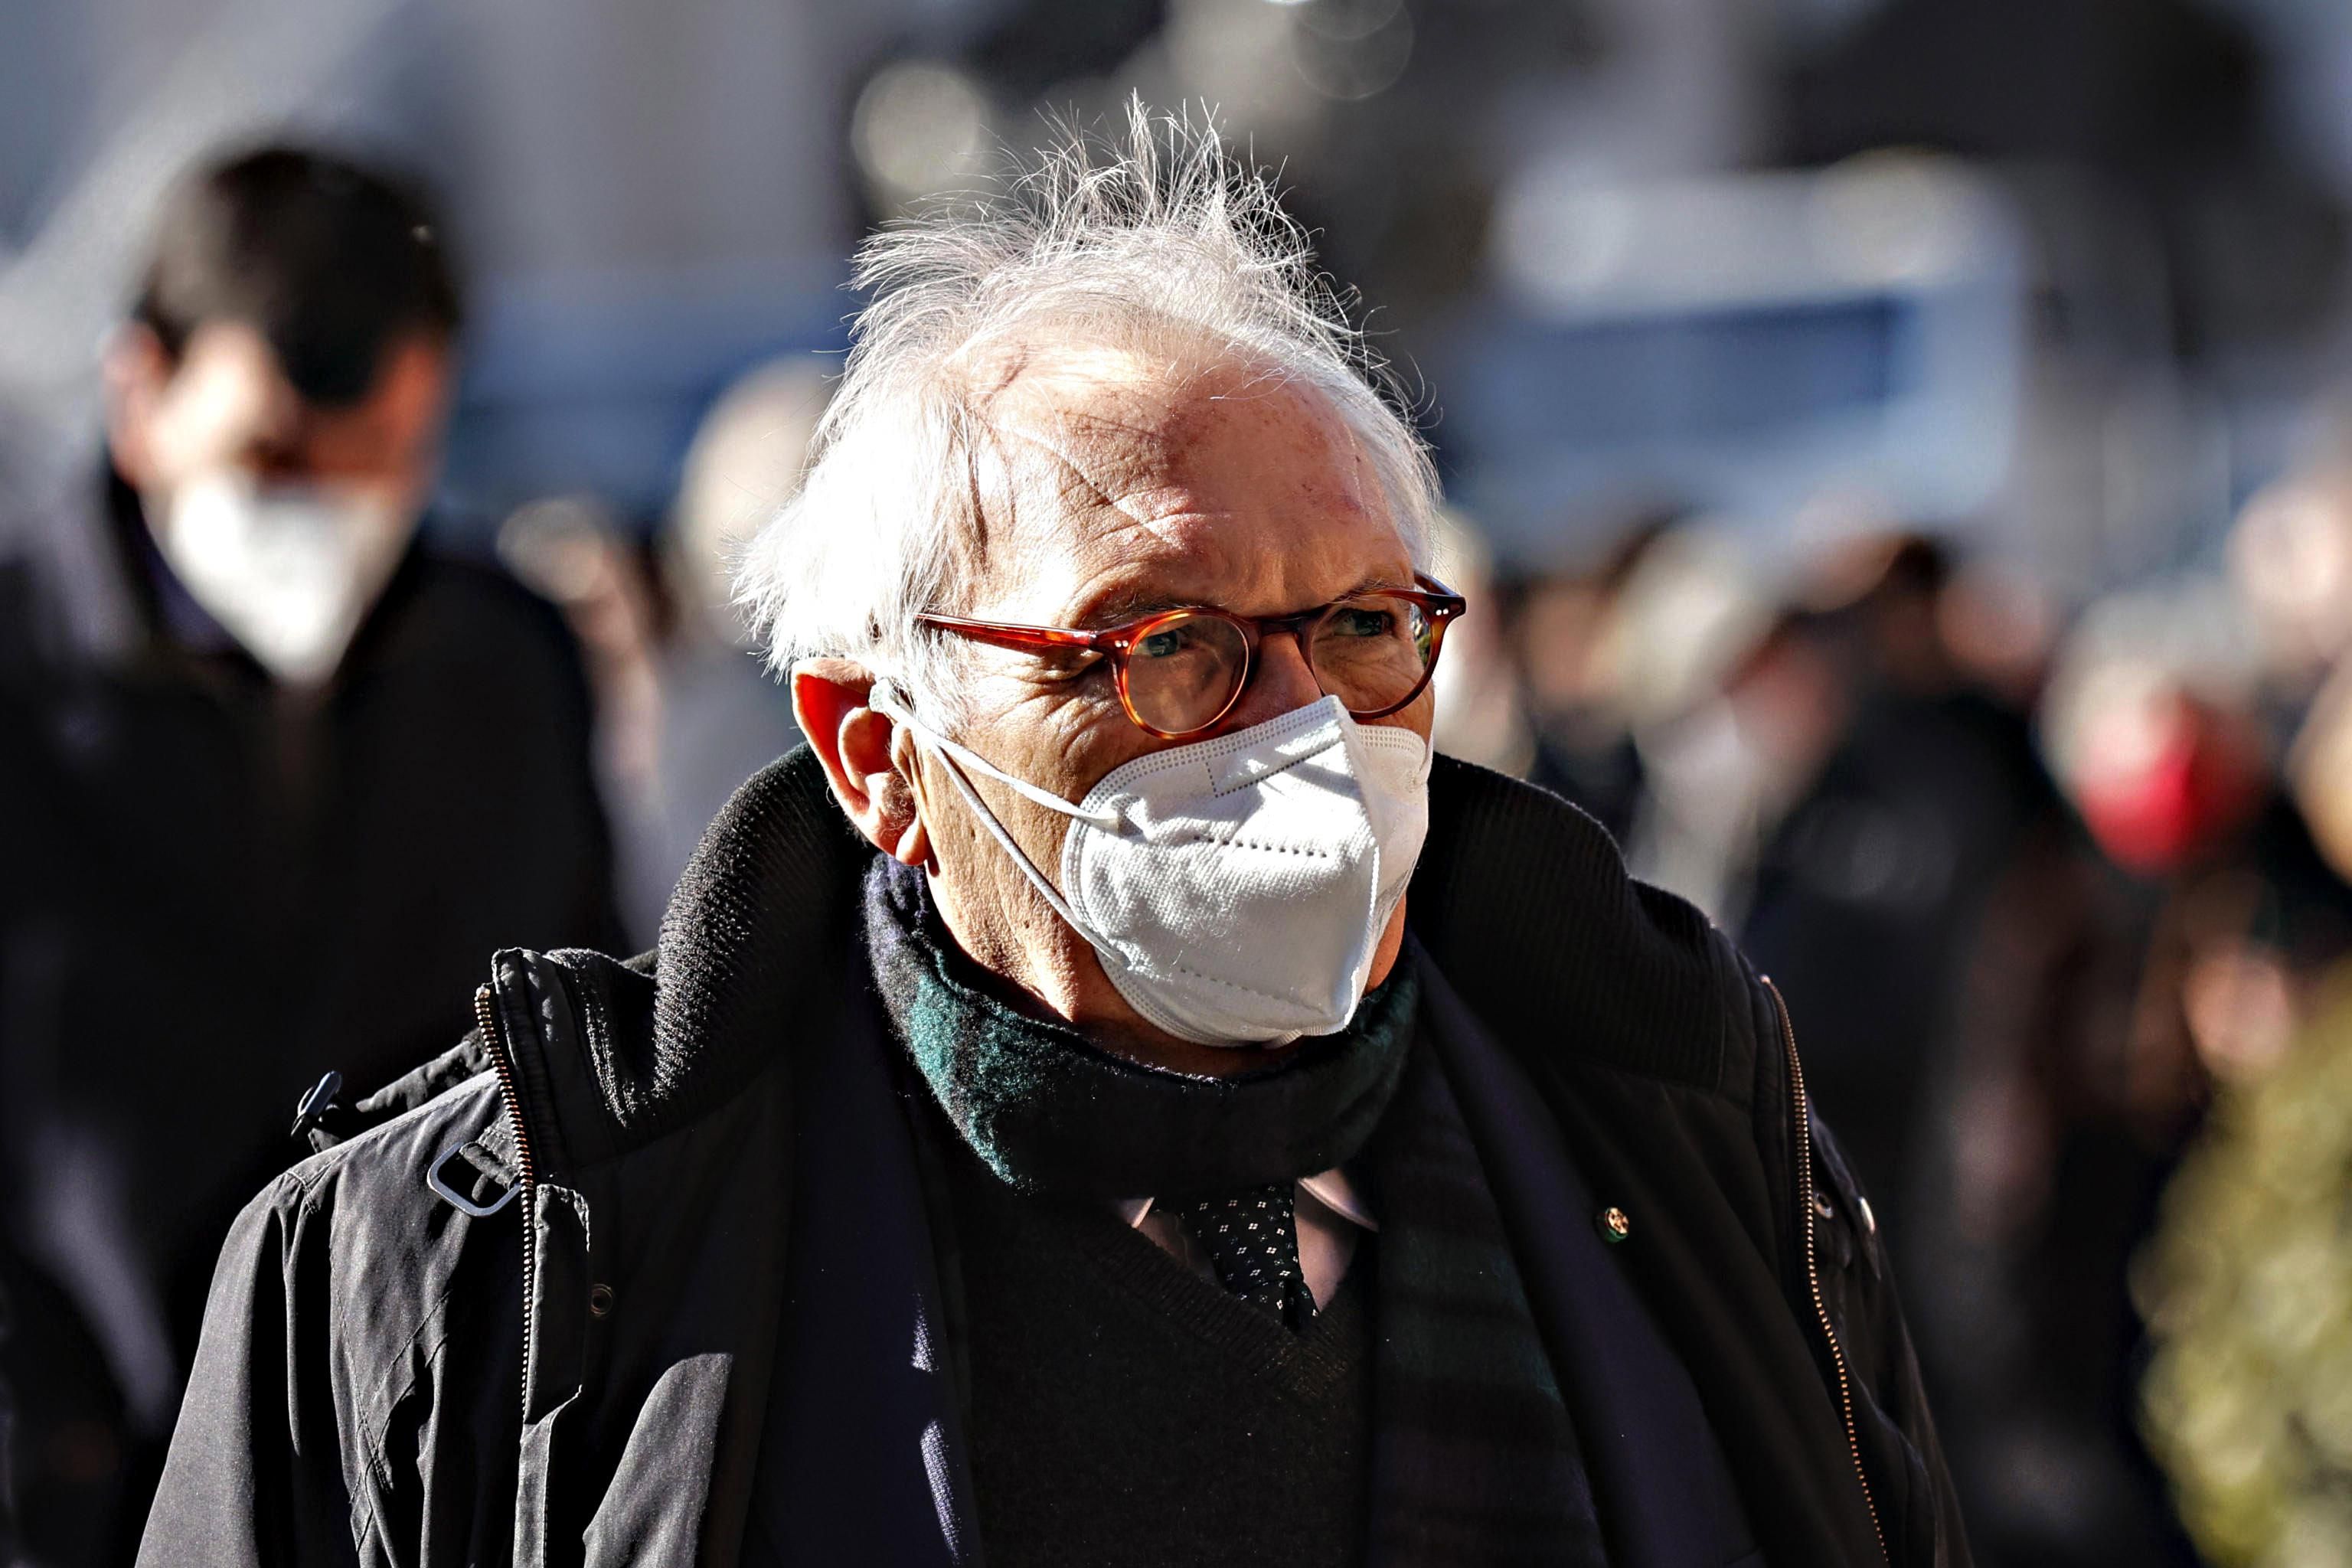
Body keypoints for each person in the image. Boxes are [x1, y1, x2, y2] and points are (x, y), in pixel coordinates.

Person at [139, 111, 1965, 1567]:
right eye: (1166, 646)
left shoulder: (1694, 1138)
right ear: (880, 749)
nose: (1302, 732)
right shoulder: (475, 1272)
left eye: (1362, 627)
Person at [0, 145, 618, 1560]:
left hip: (426, 1481)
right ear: (140, 391)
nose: (327, 523)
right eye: (274, 462)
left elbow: (583, 1042)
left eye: (387, 466)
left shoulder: (505, 669)